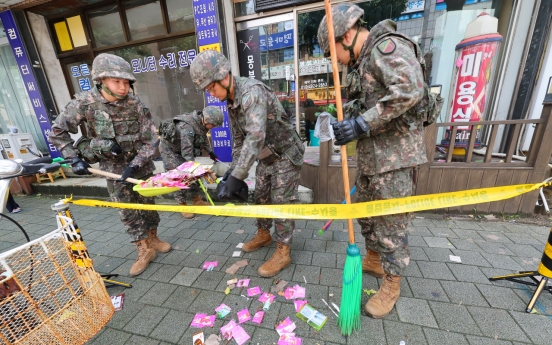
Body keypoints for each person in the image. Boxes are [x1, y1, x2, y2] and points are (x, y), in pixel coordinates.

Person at [318, 3, 427, 318]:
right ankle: (374, 261)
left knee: (392, 226)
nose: (334, 59)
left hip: (394, 159)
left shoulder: (386, 47)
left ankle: (392, 284)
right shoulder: (363, 60)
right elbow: (370, 103)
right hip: (372, 159)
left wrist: (360, 124)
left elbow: (410, 90)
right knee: (367, 216)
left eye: (332, 51)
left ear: (348, 34)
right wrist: (346, 120)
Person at [49, 53, 171, 277]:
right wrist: (73, 158)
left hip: (140, 168)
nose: (123, 87)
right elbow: (57, 132)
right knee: (127, 211)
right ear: (101, 80)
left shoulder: (136, 104)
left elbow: (150, 140)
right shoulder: (85, 103)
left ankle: (153, 239)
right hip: (112, 169)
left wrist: (135, 165)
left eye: (126, 82)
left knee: (148, 206)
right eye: (117, 81)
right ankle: (144, 250)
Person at [190, 50, 305, 277]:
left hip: (285, 154)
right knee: (261, 196)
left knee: (281, 202)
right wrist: (232, 170)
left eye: (211, 88)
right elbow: (240, 140)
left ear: (223, 76)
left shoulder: (251, 93)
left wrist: (238, 176)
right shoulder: (231, 101)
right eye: (207, 90)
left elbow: (255, 136)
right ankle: (264, 234)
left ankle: (283, 250)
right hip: (265, 156)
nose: (211, 94)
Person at [158, 106, 224, 218]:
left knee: (193, 174)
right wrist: (196, 169)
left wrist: (210, 152)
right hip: (170, 150)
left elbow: (202, 138)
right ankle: (182, 204)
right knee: (179, 177)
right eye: (212, 125)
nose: (213, 128)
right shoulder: (187, 128)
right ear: (206, 120)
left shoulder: (201, 123)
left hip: (182, 148)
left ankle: (197, 200)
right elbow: (187, 153)